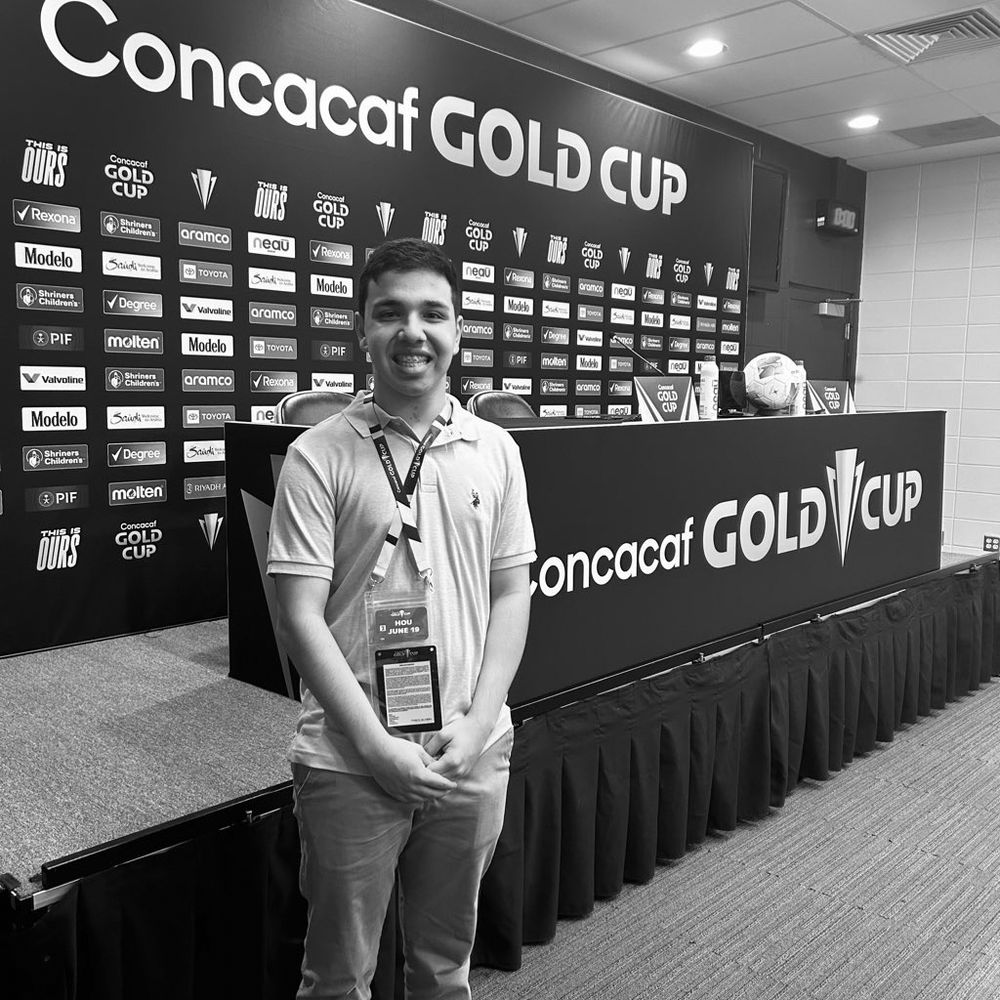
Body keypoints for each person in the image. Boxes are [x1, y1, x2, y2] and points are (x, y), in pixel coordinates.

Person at [267, 236, 536, 1000]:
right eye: (389, 313)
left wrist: (478, 726)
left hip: (468, 753)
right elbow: (298, 617)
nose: (412, 332)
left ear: (458, 330)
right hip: (351, 760)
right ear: (361, 328)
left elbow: (511, 593)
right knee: (337, 979)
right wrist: (377, 747)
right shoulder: (316, 456)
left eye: (432, 313)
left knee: (444, 969)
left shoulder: (497, 450)